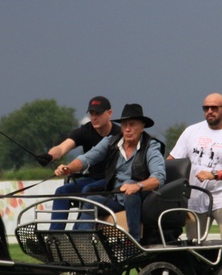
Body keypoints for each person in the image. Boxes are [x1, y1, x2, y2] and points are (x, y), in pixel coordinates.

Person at [54, 103, 166, 242]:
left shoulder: (151, 146)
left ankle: (134, 240)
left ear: (142, 127)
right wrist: (69, 168)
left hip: (140, 199)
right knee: (90, 202)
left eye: (132, 124)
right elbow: (87, 158)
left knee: (129, 185)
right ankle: (81, 244)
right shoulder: (111, 142)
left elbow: (158, 178)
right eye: (124, 125)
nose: (127, 129)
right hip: (115, 198)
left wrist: (137, 186)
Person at [168, 93, 222, 242]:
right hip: (195, 195)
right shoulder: (191, 132)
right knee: (193, 246)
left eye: (214, 108)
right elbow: (172, 160)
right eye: (206, 108)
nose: (209, 111)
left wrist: (215, 174)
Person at [36, 96, 121, 230]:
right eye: (91, 114)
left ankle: (78, 233)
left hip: (112, 181)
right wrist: (49, 156)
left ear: (109, 113)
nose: (94, 117)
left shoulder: (119, 134)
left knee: (88, 190)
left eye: (98, 113)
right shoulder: (85, 131)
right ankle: (54, 236)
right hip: (92, 179)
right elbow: (62, 148)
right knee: (62, 191)